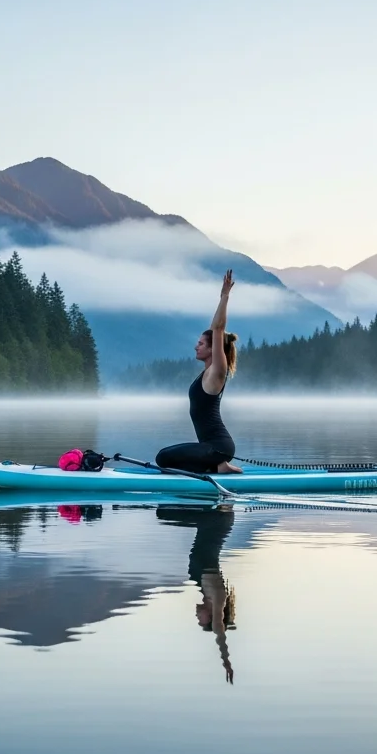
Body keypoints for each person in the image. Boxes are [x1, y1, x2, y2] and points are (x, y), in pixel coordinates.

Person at [155, 269, 243, 475]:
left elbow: (218, 330)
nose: (196, 347)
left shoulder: (217, 372)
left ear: (213, 349)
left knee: (163, 458)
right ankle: (216, 466)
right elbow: (214, 331)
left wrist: (224, 297)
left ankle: (218, 466)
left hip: (218, 447)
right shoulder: (206, 373)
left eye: (201, 344)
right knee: (164, 458)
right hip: (211, 448)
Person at [157, 504, 237, 683]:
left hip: (212, 521)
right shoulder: (217, 597)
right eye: (201, 620)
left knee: (163, 511)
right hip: (216, 520)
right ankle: (220, 488)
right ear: (211, 618)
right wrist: (226, 661)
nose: (197, 617)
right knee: (163, 512)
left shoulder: (205, 590)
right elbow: (220, 631)